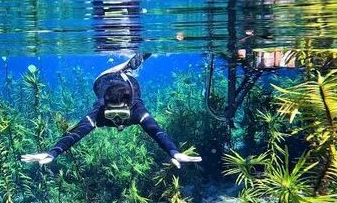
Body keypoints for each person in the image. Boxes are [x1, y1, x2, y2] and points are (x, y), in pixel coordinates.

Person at [20, 53, 202, 168]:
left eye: (121, 115)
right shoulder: (99, 112)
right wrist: (53, 152)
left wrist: (174, 152)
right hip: (103, 80)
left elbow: (156, 131)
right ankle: (128, 66)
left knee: (130, 70)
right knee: (117, 73)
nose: (117, 121)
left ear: (129, 107)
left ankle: (130, 66)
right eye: (111, 114)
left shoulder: (136, 109)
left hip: (128, 86)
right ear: (104, 108)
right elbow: (76, 134)